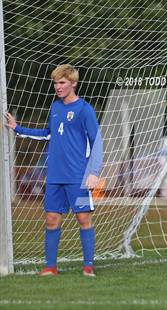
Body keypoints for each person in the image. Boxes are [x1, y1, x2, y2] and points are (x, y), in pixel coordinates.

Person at [5, 64, 103, 276]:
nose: (57, 87)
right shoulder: (55, 107)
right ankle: (50, 267)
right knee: (51, 219)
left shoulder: (85, 110)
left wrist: (94, 172)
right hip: (55, 176)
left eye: (62, 82)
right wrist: (18, 128)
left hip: (78, 176)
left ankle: (88, 266)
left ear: (73, 83)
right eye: (55, 83)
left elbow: (97, 142)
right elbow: (48, 133)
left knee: (83, 219)